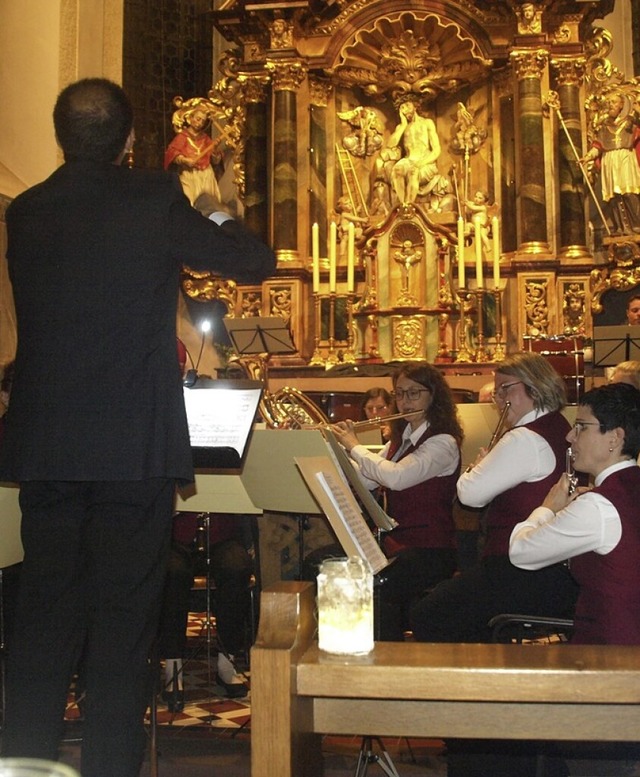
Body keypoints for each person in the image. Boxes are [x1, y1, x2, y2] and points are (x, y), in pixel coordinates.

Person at [0, 78, 275, 777]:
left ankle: (25, 766)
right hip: (131, 448)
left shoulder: (26, 211)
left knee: (43, 620)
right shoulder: (155, 200)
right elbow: (254, 260)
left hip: (48, 447)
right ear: (128, 143)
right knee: (123, 630)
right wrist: (211, 205)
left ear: (62, 137)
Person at [411, 352, 579, 645]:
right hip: (553, 570)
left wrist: (476, 469)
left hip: (520, 571)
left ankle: (467, 685)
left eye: (506, 389)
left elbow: (469, 495)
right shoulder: (559, 426)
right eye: (496, 390)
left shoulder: (523, 438)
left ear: (534, 387)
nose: (498, 398)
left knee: (428, 614)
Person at [331, 362, 463, 641]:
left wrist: (354, 445)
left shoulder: (443, 443)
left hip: (431, 549)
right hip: (397, 543)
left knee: (377, 586)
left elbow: (396, 478)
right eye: (400, 394)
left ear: (434, 396)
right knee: (324, 564)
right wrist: (334, 451)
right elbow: (369, 481)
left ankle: (386, 664)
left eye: (414, 394)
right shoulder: (399, 441)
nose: (404, 402)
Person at [510, 382, 640, 644]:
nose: (570, 436)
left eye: (581, 426)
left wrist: (547, 508)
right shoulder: (626, 488)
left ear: (614, 438)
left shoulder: (598, 506)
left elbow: (521, 553)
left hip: (610, 652)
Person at [157, 512, 253, 710]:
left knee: (236, 567)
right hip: (177, 539)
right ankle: (173, 666)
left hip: (222, 538)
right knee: (172, 573)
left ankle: (228, 662)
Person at [582, 92, 640, 235]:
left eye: (614, 102)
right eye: (609, 102)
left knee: (628, 192)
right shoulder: (603, 126)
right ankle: (621, 227)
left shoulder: (630, 121)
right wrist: (588, 157)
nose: (610, 105)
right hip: (609, 159)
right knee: (613, 195)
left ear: (621, 105)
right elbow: (598, 146)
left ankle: (636, 224)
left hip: (625, 157)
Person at [384, 99, 447, 207]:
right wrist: (403, 125)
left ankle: (409, 206)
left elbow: (437, 150)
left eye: (407, 105)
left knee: (413, 172)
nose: (405, 109)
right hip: (408, 160)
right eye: (402, 107)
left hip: (425, 161)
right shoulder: (401, 127)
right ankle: (402, 206)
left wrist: (421, 163)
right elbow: (390, 145)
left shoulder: (427, 123)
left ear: (415, 106)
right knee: (397, 170)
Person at [164, 98, 223, 207]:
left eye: (203, 121)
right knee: (190, 203)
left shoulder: (206, 139)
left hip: (206, 175)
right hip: (189, 175)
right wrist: (185, 160)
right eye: (198, 119)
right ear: (190, 119)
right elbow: (172, 153)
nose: (200, 123)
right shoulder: (182, 137)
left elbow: (215, 161)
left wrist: (214, 151)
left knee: (209, 204)